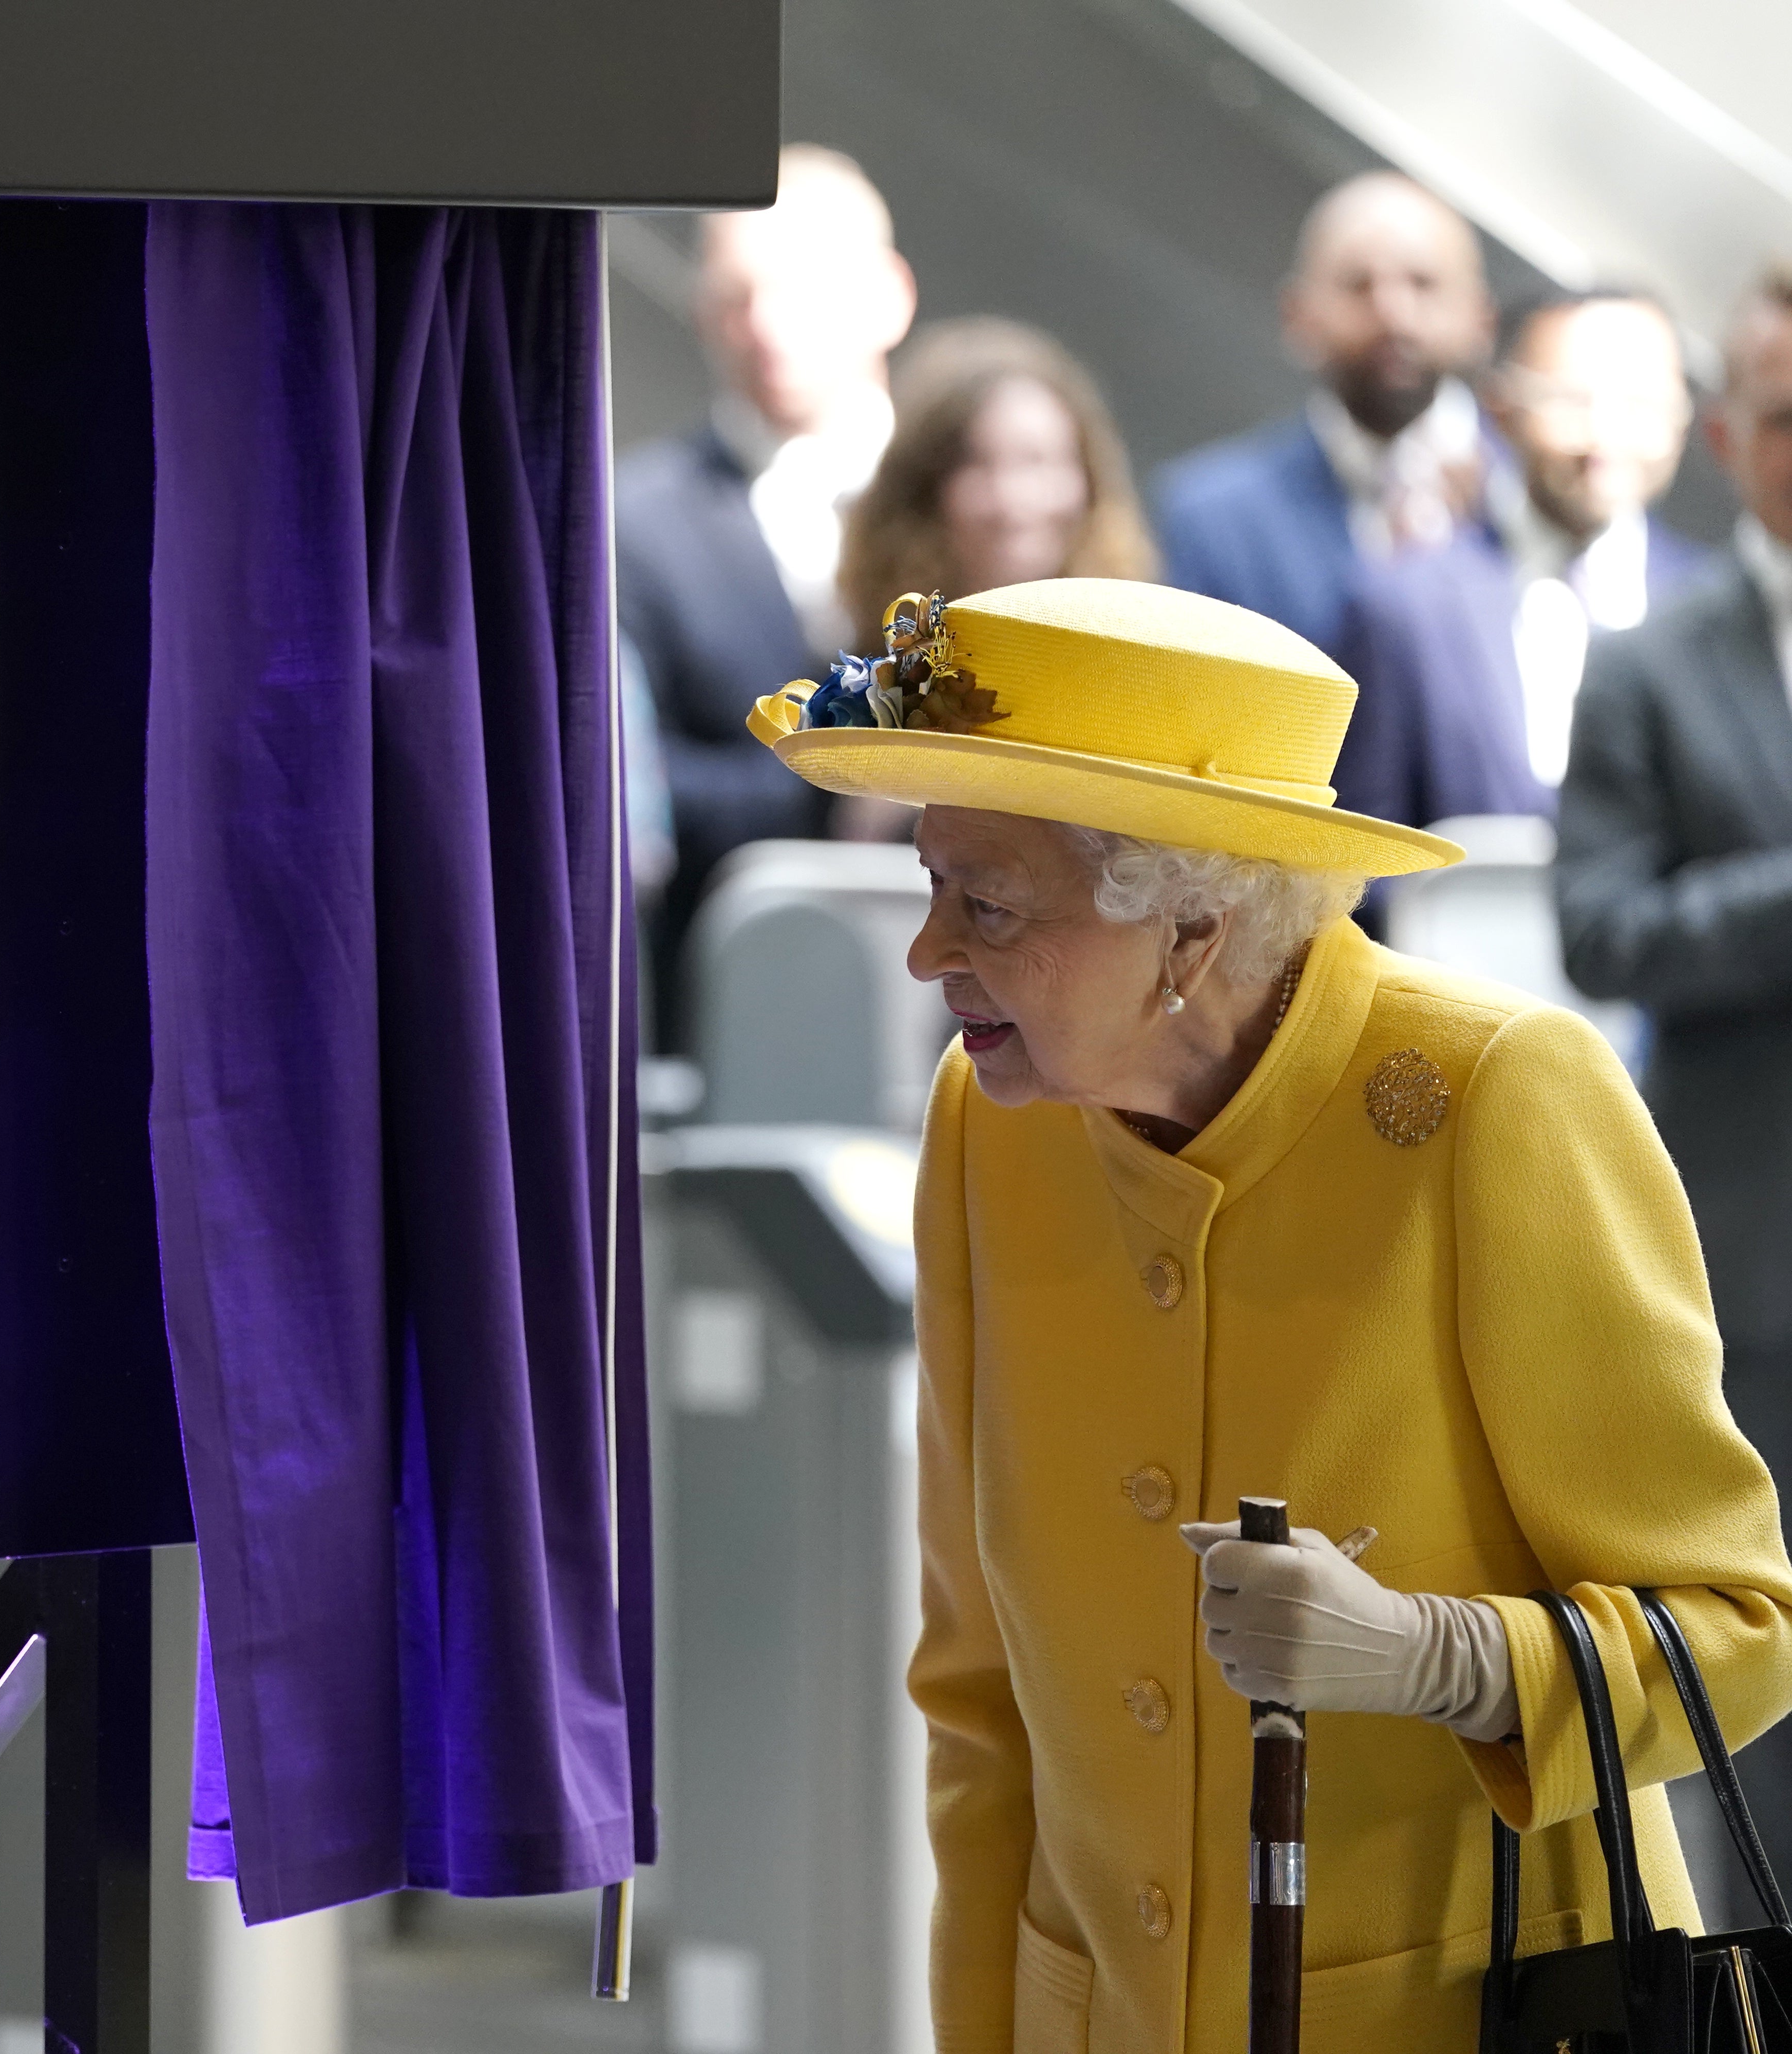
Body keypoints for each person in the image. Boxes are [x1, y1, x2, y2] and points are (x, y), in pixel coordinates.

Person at [747, 580, 1792, 2050]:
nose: (927, 953)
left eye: (985, 903)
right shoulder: (992, 1126)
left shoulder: (1495, 1101)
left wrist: (1444, 1656)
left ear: (1189, 924)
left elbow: (1738, 1629)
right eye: (933, 885)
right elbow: (978, 1699)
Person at [1559, 261, 1792, 1856]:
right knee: (1756, 1702)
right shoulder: (1646, 663)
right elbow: (1603, 933)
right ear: (1722, 436)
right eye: (1783, 415)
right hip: (1752, 1263)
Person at [616, 144, 917, 939]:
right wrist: (834, 787)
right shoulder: (633, 524)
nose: (766, 327)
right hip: (734, 970)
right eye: (735, 298)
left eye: (802, 288)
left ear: (890, 297)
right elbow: (628, 779)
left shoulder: (979, 493)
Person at [1337, 287, 1710, 829]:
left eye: (1642, 403)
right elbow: (1358, 850)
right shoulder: (1405, 607)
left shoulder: (1717, 613)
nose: (1604, 437)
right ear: (1501, 407)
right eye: (1570, 401)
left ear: (1683, 417)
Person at [824, 317, 1160, 838]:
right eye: (979, 465)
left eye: (1038, 460)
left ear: (1087, 480)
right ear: (924, 492)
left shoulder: (1142, 669)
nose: (1013, 500)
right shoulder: (863, 672)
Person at [1157, 173, 1497, 655]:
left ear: (1481, 318)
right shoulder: (1215, 522)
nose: (1393, 314)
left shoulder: (1535, 496)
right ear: (1297, 315)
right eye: (1359, 286)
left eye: (1424, 284)